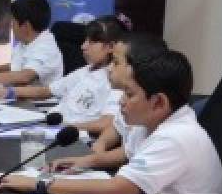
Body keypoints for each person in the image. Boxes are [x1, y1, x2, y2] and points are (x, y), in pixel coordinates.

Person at [1, 50, 222, 194]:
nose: (121, 102)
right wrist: (82, 162)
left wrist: (39, 185)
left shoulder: (177, 136)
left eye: (129, 94)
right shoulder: (150, 122)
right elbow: (127, 154)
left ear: (158, 102)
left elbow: (118, 191)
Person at [56, 30, 167, 170]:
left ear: (136, 66)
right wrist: (99, 146)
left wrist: (40, 184)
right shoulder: (128, 95)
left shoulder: (147, 108)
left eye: (116, 62)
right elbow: (119, 131)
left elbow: (122, 183)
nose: (109, 68)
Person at [0, 15, 121, 126]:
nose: (83, 46)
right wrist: (8, 92)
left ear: (110, 46)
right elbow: (46, 91)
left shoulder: (117, 80)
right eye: (85, 40)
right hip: (52, 123)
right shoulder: (85, 71)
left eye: (91, 42)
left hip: (73, 134)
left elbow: (106, 123)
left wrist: (67, 127)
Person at [0, 0, 63, 88]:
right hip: (20, 96)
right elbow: (19, 65)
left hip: (42, 101)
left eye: (13, 22)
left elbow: (25, 76)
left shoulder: (46, 47)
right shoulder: (27, 41)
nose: (11, 27)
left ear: (26, 26)